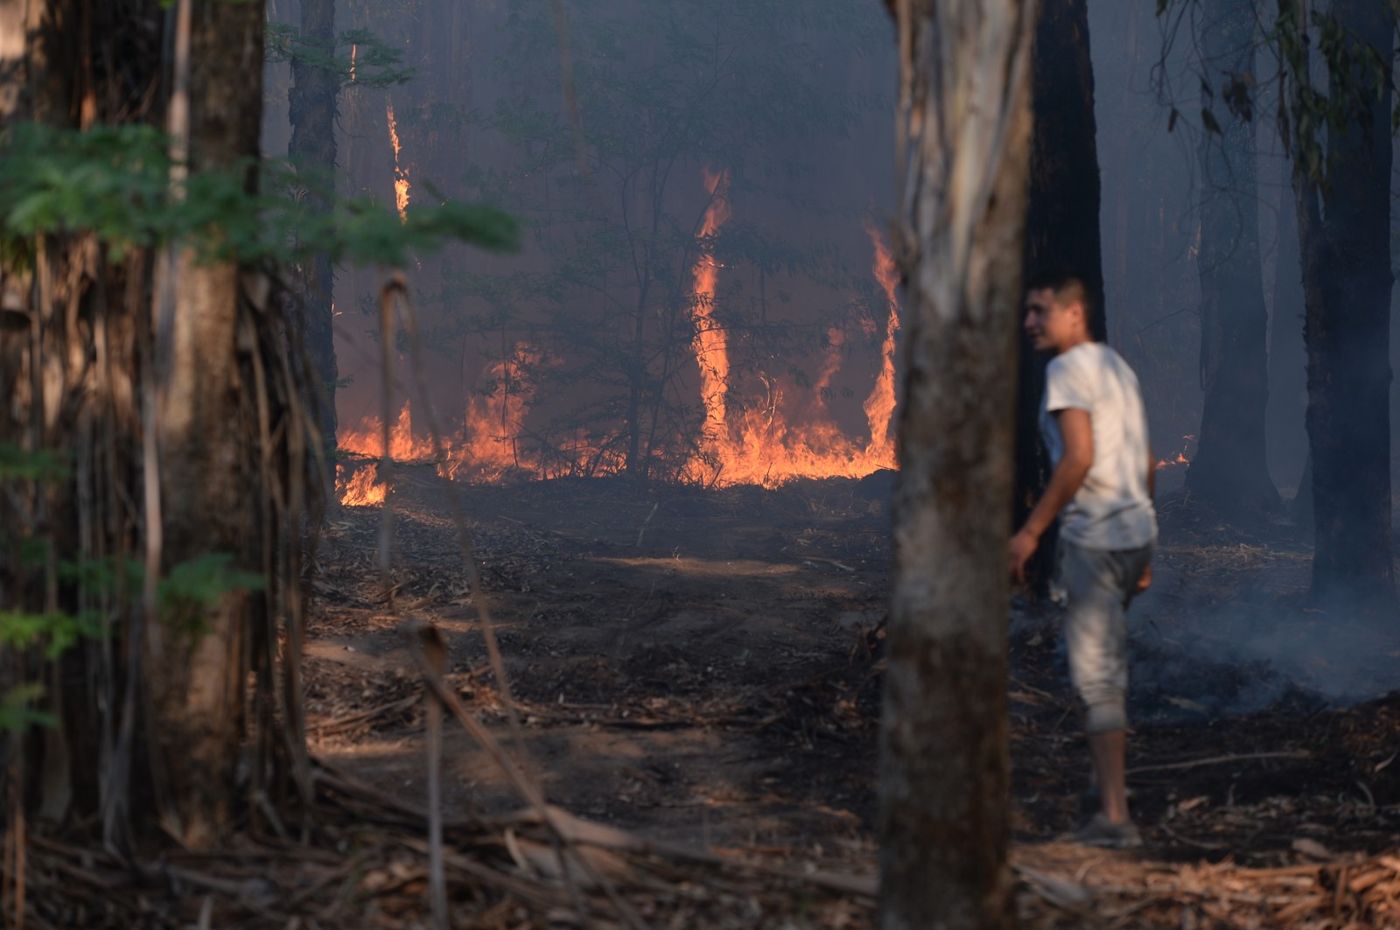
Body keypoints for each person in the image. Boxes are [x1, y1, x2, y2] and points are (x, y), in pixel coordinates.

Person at [1010, 270, 1157, 849]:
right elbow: (1145, 461)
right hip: (1132, 532)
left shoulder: (1067, 369)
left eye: (1040, 311)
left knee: (1099, 683)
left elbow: (1077, 459)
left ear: (1074, 314)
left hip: (1094, 540)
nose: (1030, 323)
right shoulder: (1117, 368)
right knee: (1107, 670)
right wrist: (1145, 543)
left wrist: (1029, 533)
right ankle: (1104, 793)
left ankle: (1115, 818)